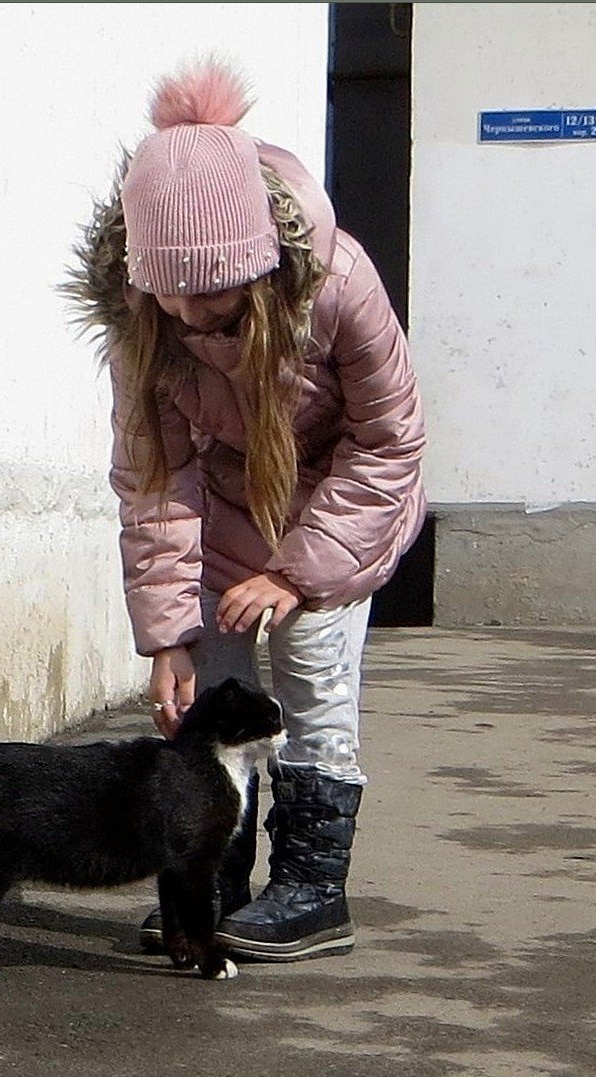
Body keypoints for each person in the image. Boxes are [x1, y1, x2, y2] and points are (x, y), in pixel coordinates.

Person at [65, 59, 427, 961]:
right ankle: (210, 879)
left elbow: (388, 443)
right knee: (209, 698)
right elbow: (153, 480)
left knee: (310, 680)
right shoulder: (142, 327)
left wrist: (298, 572)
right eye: (168, 289)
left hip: (333, 516)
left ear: (262, 266)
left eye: (211, 289)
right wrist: (167, 637)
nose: (187, 310)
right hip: (223, 521)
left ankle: (310, 890)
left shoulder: (340, 285)